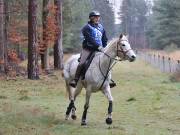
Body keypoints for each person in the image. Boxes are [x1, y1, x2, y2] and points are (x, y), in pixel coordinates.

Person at [69, 10, 116, 88]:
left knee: (106, 62)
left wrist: (104, 47)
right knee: (82, 63)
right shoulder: (86, 28)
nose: (97, 18)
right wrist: (98, 46)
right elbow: (90, 39)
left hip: (100, 49)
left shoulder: (101, 27)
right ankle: (75, 79)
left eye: (98, 17)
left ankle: (108, 80)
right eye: (95, 17)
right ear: (91, 18)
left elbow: (104, 38)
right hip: (88, 49)